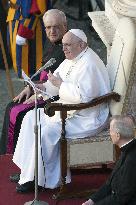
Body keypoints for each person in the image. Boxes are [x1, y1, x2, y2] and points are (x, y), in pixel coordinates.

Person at [12, 29, 111, 193]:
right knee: (30, 117)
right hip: (71, 109)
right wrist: (42, 86)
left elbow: (85, 97)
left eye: (67, 45)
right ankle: (27, 171)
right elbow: (56, 81)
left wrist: (60, 85)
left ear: (82, 44)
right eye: (63, 45)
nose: (63, 49)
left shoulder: (90, 63)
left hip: (87, 116)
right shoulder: (72, 58)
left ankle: (40, 179)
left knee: (45, 132)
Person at [0, 9, 67, 155]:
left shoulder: (68, 48)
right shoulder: (52, 42)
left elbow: (64, 81)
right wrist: (30, 87)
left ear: (65, 26)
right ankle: (8, 154)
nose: (52, 31)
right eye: (48, 27)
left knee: (18, 112)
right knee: (12, 106)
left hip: (55, 97)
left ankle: (17, 156)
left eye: (56, 27)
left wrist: (39, 93)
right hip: (41, 89)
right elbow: (43, 72)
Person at [82, 115, 136, 205]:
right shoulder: (127, 148)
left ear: (118, 135)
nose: (109, 133)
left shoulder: (131, 159)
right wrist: (92, 201)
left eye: (110, 130)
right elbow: (109, 183)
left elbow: (122, 197)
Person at [6, 0, 52, 77]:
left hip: (27, 26)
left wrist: (23, 31)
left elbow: (37, 8)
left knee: (31, 69)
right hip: (15, 21)